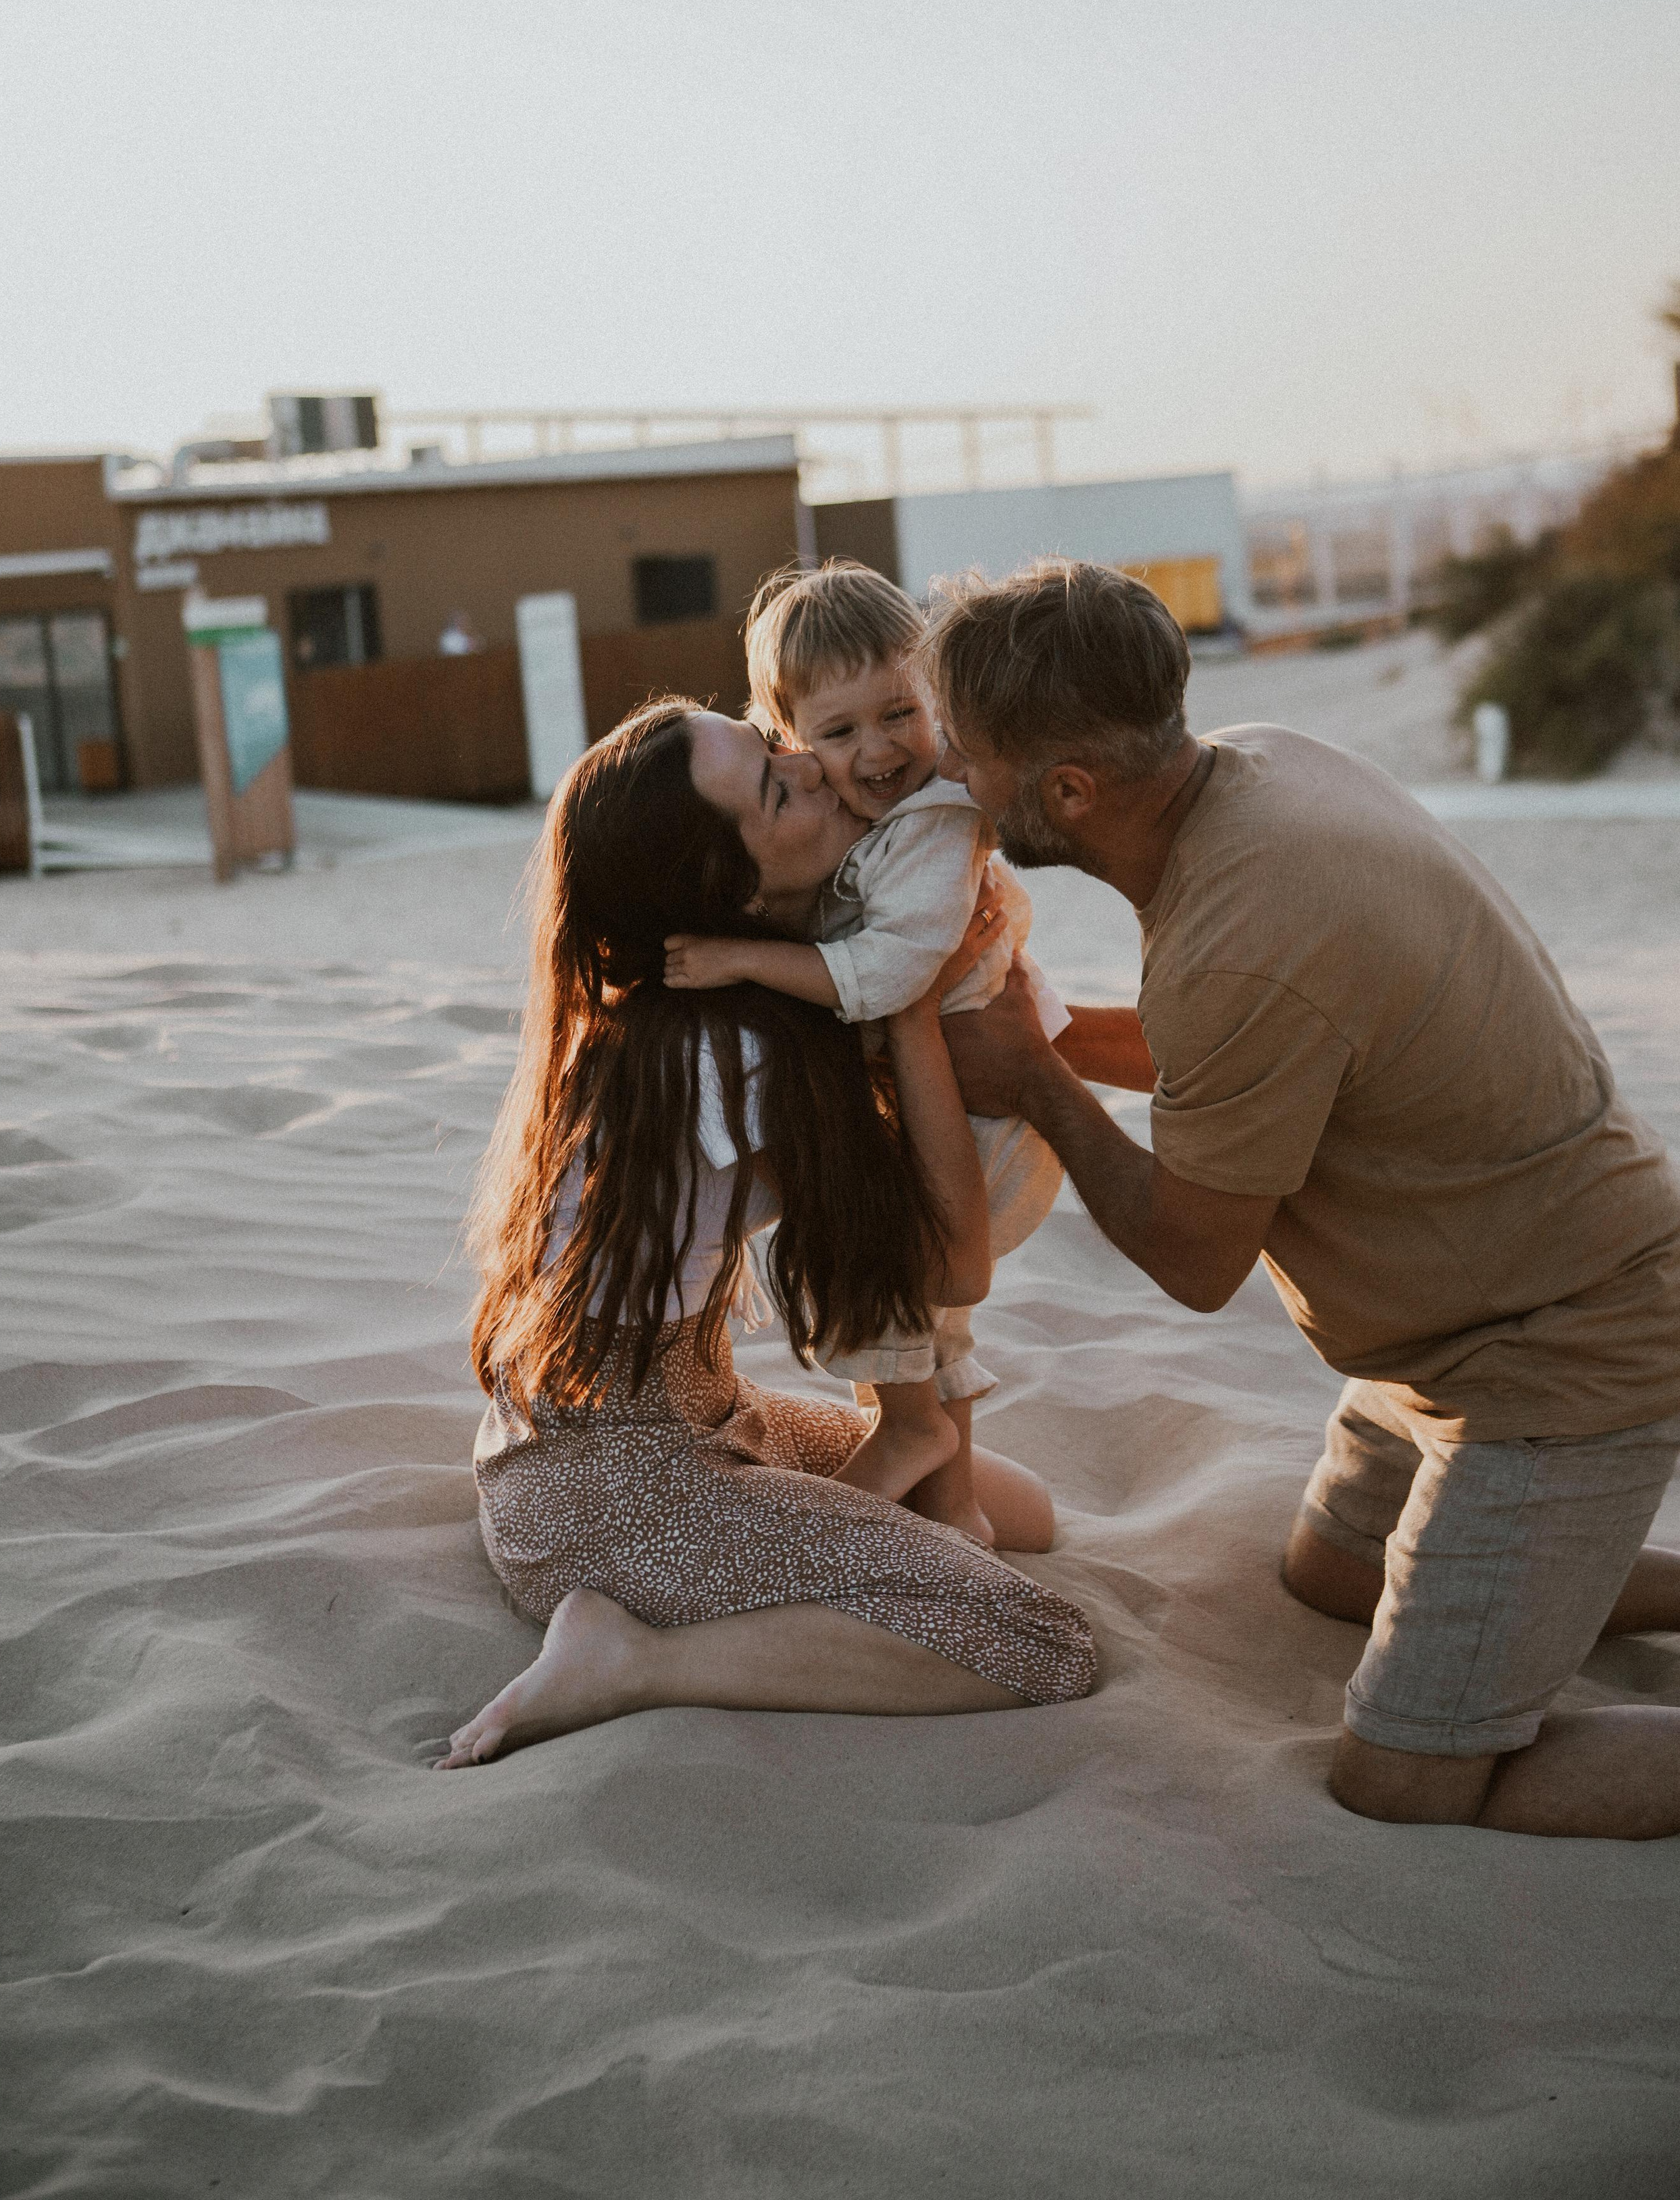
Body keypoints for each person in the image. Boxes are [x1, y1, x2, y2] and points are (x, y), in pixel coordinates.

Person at [921, 555, 1680, 1841]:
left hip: (1557, 1349)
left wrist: (1039, 1084)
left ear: (1068, 792)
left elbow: (1194, 1256)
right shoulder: (1257, 771)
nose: (948, 774)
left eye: (967, 754)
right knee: (1333, 1570)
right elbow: (1247, 1051)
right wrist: (1045, 1036)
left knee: (1407, 1781)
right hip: (1451, 1329)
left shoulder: (1244, 933)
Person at [438, 698, 1095, 1769]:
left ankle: (713, 1602)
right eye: (776, 788)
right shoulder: (726, 1051)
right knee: (1039, 1642)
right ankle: (636, 1660)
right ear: (730, 893)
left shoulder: (669, 1010)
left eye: (777, 745)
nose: (816, 770)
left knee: (1022, 1512)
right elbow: (955, 1261)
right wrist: (910, 995)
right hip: (617, 1490)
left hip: (680, 1422)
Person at [662, 562, 1073, 1541]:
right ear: (792, 741)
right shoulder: (871, 822)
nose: (881, 750)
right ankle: (955, 1509)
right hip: (971, 1106)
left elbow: (890, 978)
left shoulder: (932, 824)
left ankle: (910, 1430)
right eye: (840, 733)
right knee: (928, 1320)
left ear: (934, 695)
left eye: (899, 714)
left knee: (880, 1261)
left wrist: (741, 958)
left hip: (991, 1122)